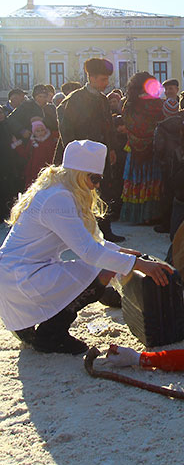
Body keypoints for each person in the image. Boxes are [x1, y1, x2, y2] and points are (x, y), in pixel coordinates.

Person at [0, 140, 172, 354]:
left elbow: (92, 241)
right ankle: (52, 333)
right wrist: (138, 265)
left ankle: (37, 326)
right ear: (79, 174)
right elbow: (90, 252)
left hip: (15, 280)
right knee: (101, 270)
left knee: (100, 266)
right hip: (22, 279)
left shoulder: (56, 187)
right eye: (95, 178)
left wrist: (125, 254)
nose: (97, 185)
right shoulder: (59, 198)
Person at [55, 57, 123, 242]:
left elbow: (108, 126)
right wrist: (76, 153)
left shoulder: (102, 99)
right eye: (102, 79)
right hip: (80, 157)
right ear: (91, 77)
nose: (106, 83)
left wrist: (112, 149)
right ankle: (77, 235)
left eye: (107, 79)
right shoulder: (74, 99)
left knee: (103, 192)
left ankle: (105, 231)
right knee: (77, 194)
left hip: (100, 156)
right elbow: (65, 128)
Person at [120, 72, 165, 225]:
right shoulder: (157, 103)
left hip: (134, 147)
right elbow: (161, 124)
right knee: (151, 180)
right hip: (152, 148)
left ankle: (136, 215)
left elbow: (130, 124)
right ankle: (150, 215)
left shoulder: (129, 103)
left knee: (138, 180)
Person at [15, 118, 59, 189]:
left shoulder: (51, 139)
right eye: (37, 131)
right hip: (35, 168)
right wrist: (17, 145)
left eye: (42, 130)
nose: (41, 133)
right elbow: (26, 153)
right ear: (34, 133)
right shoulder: (32, 143)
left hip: (49, 166)